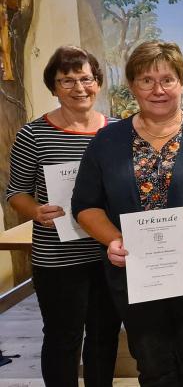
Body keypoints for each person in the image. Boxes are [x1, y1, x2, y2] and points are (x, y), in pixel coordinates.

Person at [72, 41, 183, 387]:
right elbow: (85, 205)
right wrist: (113, 239)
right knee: (154, 369)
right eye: (146, 80)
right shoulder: (106, 141)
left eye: (167, 79)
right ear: (132, 86)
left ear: (181, 83)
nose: (158, 89)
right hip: (135, 276)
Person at [6, 46, 120, 387]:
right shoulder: (33, 134)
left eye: (86, 78)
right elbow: (16, 193)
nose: (79, 87)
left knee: (104, 335)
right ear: (53, 87)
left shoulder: (117, 132)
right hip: (57, 255)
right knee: (62, 336)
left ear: (98, 82)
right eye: (66, 80)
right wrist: (36, 212)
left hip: (108, 253)